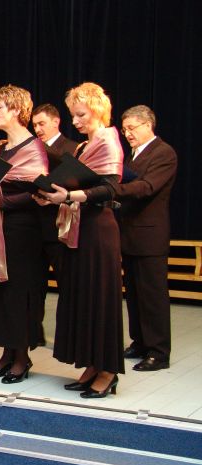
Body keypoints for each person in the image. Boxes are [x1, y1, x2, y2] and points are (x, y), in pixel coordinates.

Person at [43, 82, 124, 399]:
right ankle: (91, 364)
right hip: (80, 229)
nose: (75, 121)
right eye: (73, 115)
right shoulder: (83, 147)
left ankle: (108, 371)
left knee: (100, 300)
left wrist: (69, 195)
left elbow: (110, 189)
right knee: (83, 298)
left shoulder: (108, 140)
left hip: (99, 231)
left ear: (97, 110)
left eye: (81, 115)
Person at [0, 85, 48, 384]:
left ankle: (22, 358)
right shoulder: (0, 148)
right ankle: (7, 352)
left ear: (16, 110)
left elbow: (40, 193)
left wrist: (1, 203)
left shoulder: (34, 148)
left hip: (23, 231)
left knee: (19, 292)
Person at [115, 105, 177, 371]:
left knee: (152, 296)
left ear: (148, 125)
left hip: (149, 236)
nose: (127, 134)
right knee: (134, 295)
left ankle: (158, 352)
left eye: (132, 128)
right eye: (124, 129)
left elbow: (147, 187)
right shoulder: (132, 155)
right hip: (129, 234)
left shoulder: (164, 152)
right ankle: (139, 342)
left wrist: (112, 188)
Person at [31, 104, 78, 346]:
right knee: (33, 286)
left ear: (56, 122)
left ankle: (66, 338)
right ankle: (34, 333)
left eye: (42, 123)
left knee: (66, 285)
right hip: (33, 226)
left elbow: (78, 184)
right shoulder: (32, 149)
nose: (37, 129)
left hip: (59, 225)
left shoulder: (72, 148)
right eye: (34, 125)